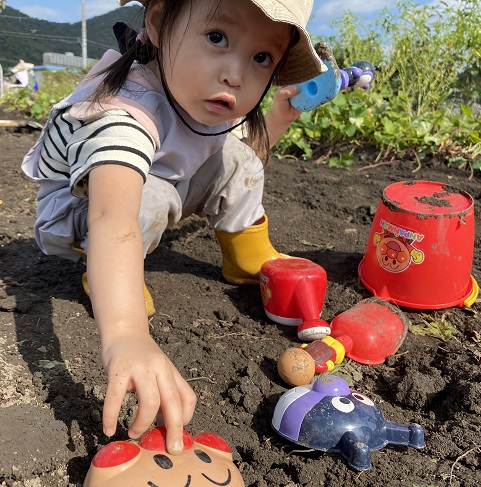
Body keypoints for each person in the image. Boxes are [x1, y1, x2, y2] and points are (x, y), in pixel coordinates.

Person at [22, 0, 326, 455]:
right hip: (83, 212)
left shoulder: (196, 94)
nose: (235, 75)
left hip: (151, 186)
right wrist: (126, 334)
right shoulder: (122, 112)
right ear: (161, 23)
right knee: (151, 197)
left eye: (262, 57)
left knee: (236, 155)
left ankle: (247, 253)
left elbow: (232, 163)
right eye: (217, 38)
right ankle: (104, 277)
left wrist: (280, 116)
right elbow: (113, 216)